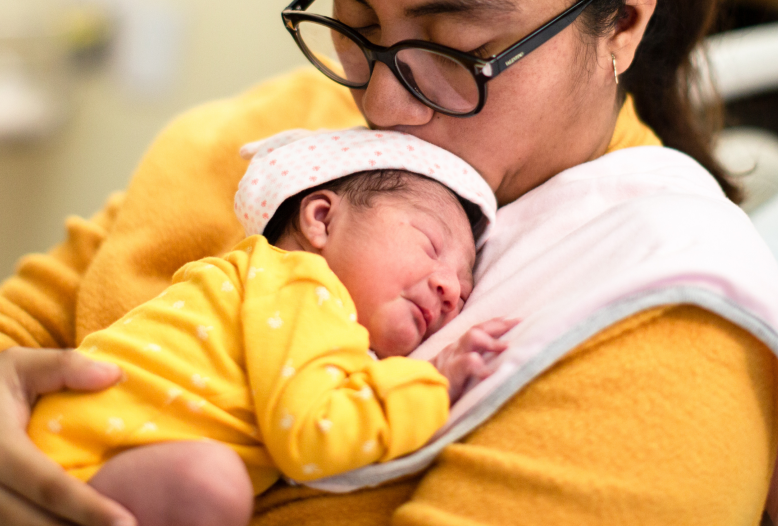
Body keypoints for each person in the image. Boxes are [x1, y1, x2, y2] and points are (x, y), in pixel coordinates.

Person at [0, 0, 778, 525]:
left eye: (457, 49)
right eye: (355, 24)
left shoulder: (666, 328)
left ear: (621, 20)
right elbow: (10, 316)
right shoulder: (284, 135)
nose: (384, 101)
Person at [27, 129, 509, 526]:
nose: (451, 288)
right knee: (209, 482)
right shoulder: (301, 283)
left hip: (66, 464)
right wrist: (433, 383)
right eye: (429, 245)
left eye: (465, 289)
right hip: (66, 475)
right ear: (321, 220)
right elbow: (316, 435)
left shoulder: (260, 286)